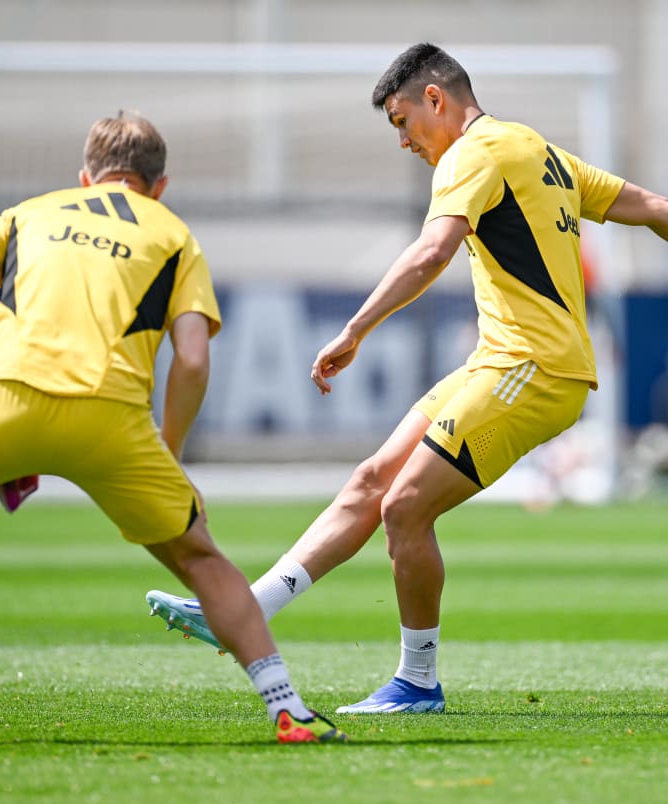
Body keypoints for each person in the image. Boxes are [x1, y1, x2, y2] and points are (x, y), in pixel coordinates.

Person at [146, 43, 668, 714]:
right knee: (372, 480)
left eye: (400, 120)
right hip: (500, 363)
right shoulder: (535, 149)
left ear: (435, 99)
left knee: (404, 507)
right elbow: (652, 206)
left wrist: (355, 328)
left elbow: (431, 251)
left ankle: (418, 682)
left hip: (532, 370)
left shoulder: (471, 155)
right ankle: (243, 610)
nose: (401, 140)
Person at [0, 111, 347, 744]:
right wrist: (171, 452)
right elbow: (192, 358)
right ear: (159, 186)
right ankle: (288, 709)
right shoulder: (174, 235)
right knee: (201, 559)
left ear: (86, 177)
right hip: (112, 420)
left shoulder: (33, 211)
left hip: (3, 397)